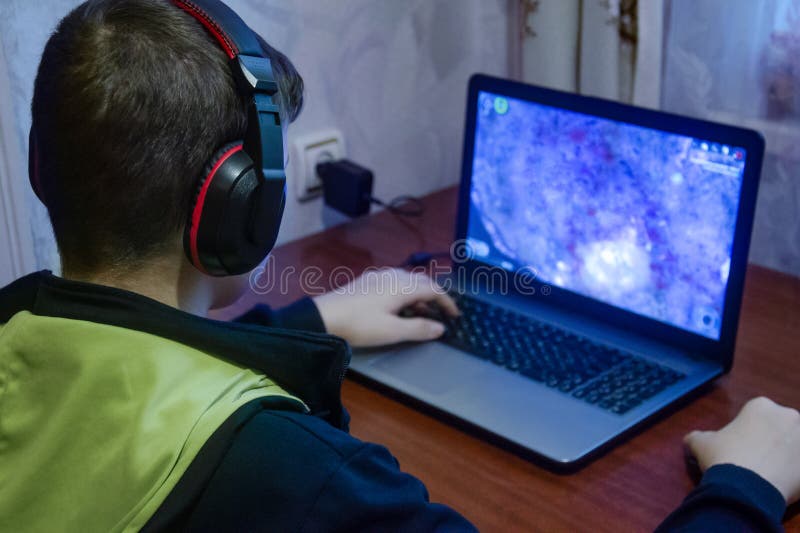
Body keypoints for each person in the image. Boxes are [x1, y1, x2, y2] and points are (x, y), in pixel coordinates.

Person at [0, 0, 797, 531]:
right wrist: (748, 482)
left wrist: (312, 322)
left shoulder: (13, 333)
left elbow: (136, 377)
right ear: (239, 209)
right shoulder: (307, 482)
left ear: (41, 168)